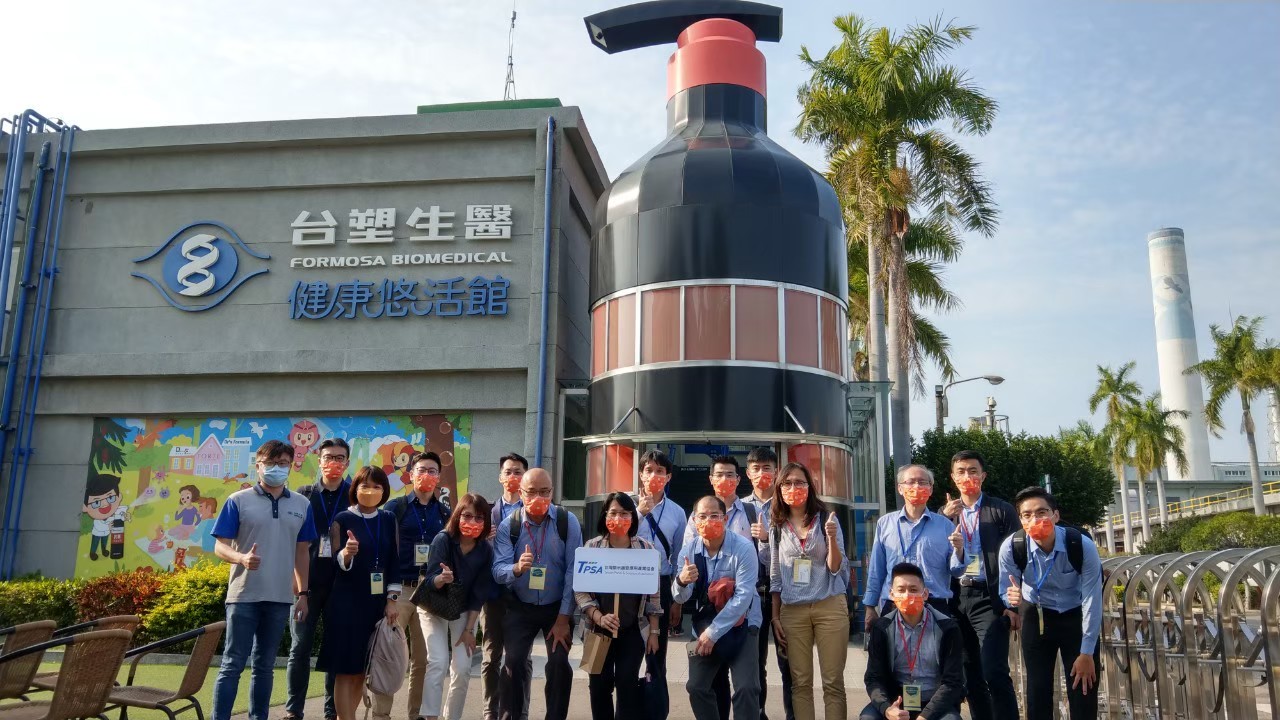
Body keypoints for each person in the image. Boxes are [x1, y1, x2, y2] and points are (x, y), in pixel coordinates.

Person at [211, 440, 317, 720]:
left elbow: (302, 552)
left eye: (282, 463)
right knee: (232, 664)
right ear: (257, 466)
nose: (276, 468)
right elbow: (220, 546)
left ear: (291, 466)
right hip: (243, 596)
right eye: (270, 463)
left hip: (280, 598)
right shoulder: (238, 500)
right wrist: (241, 558)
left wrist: (303, 594)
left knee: (264, 666)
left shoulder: (302, 504)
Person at [999, 487, 1103, 720]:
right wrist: (1010, 599)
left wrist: (1087, 652)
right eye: (1027, 515)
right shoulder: (1012, 547)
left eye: (1042, 512)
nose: (1035, 520)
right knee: (1038, 691)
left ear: (1055, 515)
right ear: (1021, 520)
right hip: (1036, 615)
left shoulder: (1081, 545)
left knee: (1083, 687)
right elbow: (1005, 590)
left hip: (1075, 614)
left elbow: (1092, 598)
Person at [492, 467, 583, 720]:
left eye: (544, 492)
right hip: (521, 606)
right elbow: (498, 570)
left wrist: (563, 618)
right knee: (513, 663)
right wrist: (517, 568)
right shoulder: (509, 525)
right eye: (531, 492)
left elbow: (574, 571)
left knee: (559, 664)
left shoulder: (567, 522)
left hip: (557, 608)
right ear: (520, 493)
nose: (538, 498)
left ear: (552, 492)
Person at [683, 456, 769, 720]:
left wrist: (765, 539)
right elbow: (684, 581)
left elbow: (747, 589)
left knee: (748, 684)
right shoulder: (692, 540)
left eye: (730, 475)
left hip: (744, 615)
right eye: (719, 475)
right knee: (702, 684)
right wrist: (681, 582)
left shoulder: (750, 519)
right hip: (707, 614)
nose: (709, 521)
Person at [938, 450, 1020, 720]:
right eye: (961, 472)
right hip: (955, 597)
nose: (967, 477)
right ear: (953, 478)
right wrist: (944, 518)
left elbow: (1017, 556)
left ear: (983, 476)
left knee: (994, 670)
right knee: (969, 673)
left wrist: (1012, 605)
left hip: (988, 597)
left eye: (973, 471)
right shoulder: (943, 514)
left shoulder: (1001, 510)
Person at [768, 463, 850, 720]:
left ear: (809, 486)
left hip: (829, 604)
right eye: (787, 483)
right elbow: (775, 575)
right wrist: (775, 616)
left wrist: (832, 538)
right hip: (793, 611)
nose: (793, 488)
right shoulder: (777, 526)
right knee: (800, 683)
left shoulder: (826, 519)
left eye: (799, 482)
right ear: (779, 488)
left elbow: (835, 568)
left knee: (833, 682)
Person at [320, 466, 401, 720]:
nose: (371, 491)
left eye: (377, 486)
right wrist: (347, 554)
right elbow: (334, 562)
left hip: (375, 604)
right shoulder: (343, 519)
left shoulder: (388, 519)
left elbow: (394, 561)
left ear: (384, 491)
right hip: (346, 604)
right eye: (365, 485)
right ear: (355, 489)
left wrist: (391, 600)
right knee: (346, 670)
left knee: (361, 671)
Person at [576, 492, 662, 720]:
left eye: (624, 513)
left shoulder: (646, 549)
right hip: (596, 632)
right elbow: (580, 591)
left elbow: (654, 596)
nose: (618, 518)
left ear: (633, 517)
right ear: (604, 516)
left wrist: (654, 632)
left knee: (627, 685)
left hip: (632, 630)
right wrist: (598, 616)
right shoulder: (591, 547)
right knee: (598, 686)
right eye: (613, 513)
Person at [376, 451, 449, 720]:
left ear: (438, 477)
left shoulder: (445, 513)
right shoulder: (395, 508)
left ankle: (415, 714)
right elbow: (382, 549)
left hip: (429, 591)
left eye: (432, 471)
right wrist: (388, 593)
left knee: (423, 659)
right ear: (411, 474)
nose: (426, 475)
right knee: (388, 654)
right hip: (400, 590)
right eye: (421, 470)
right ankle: (381, 715)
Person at [285, 438, 351, 720]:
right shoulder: (303, 495)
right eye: (328, 457)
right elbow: (292, 542)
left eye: (339, 458)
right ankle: (293, 710)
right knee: (299, 648)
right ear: (319, 460)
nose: (333, 462)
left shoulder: (354, 495)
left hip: (342, 586)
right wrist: (296, 584)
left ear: (347, 462)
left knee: (334, 649)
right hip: (307, 586)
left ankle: (331, 711)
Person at [418, 493, 495, 720]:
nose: (472, 522)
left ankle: (452, 716)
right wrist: (442, 579)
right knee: (438, 661)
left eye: (479, 517)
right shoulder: (443, 540)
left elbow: (478, 594)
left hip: (463, 611)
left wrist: (469, 630)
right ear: (457, 515)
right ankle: (430, 716)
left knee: (462, 669)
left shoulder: (485, 550)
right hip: (432, 608)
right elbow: (430, 580)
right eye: (467, 515)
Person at [859, 563, 965, 720]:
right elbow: (873, 678)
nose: (907, 595)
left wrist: (925, 716)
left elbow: (953, 682)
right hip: (895, 702)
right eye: (901, 590)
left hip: (934, 703)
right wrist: (887, 709)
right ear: (892, 594)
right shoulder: (882, 628)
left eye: (913, 590)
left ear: (925, 594)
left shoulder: (947, 628)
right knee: (868, 718)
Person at [863, 465, 954, 630]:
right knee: (891, 647)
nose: (917, 487)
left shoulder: (945, 526)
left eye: (922, 482)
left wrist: (960, 551)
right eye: (911, 482)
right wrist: (870, 606)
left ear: (931, 489)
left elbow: (957, 570)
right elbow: (877, 569)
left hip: (934, 604)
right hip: (895, 603)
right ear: (900, 488)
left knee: (936, 647)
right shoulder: (885, 524)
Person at [742, 446, 792, 720]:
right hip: (753, 594)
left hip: (784, 594)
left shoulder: (787, 506)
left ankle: (793, 714)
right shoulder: (740, 507)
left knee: (788, 661)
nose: (762, 473)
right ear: (748, 473)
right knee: (755, 662)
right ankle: (759, 713)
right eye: (756, 468)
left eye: (767, 468)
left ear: (776, 472)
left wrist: (766, 538)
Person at [483, 452, 531, 720]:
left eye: (518, 472)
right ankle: (490, 711)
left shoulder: (535, 511)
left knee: (521, 658)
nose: (513, 476)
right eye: (508, 472)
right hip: (493, 593)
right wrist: (482, 539)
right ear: (500, 477)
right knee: (491, 656)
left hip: (524, 594)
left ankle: (520, 712)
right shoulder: (486, 512)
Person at [634, 449, 686, 676]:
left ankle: (654, 693)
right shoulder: (626, 506)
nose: (653, 475)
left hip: (661, 582)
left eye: (660, 471)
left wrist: (677, 600)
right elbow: (615, 540)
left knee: (657, 651)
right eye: (649, 470)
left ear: (668, 477)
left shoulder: (677, 512)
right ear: (640, 474)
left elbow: (679, 556)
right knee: (630, 649)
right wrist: (639, 513)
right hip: (630, 580)